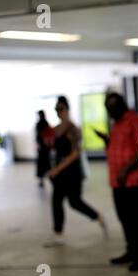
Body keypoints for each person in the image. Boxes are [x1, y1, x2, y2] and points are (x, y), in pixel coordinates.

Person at [95, 93, 138, 271]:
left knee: (137, 219)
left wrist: (126, 170)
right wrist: (107, 140)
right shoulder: (116, 124)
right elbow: (118, 147)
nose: (110, 113)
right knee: (125, 218)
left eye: (112, 108)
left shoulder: (136, 121)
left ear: (121, 106)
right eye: (108, 109)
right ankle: (132, 251)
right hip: (117, 182)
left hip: (132, 181)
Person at [44, 96, 106, 247]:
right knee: (56, 201)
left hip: (71, 172)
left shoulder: (73, 129)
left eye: (61, 109)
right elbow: (53, 149)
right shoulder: (56, 129)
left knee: (74, 202)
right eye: (56, 109)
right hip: (59, 171)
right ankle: (58, 234)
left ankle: (97, 216)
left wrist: (57, 169)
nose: (59, 112)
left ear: (67, 109)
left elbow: (75, 153)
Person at [35, 110, 53, 188]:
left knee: (43, 164)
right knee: (46, 164)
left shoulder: (41, 123)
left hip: (43, 147)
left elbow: (40, 136)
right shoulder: (45, 123)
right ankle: (50, 179)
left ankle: (45, 179)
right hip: (44, 147)